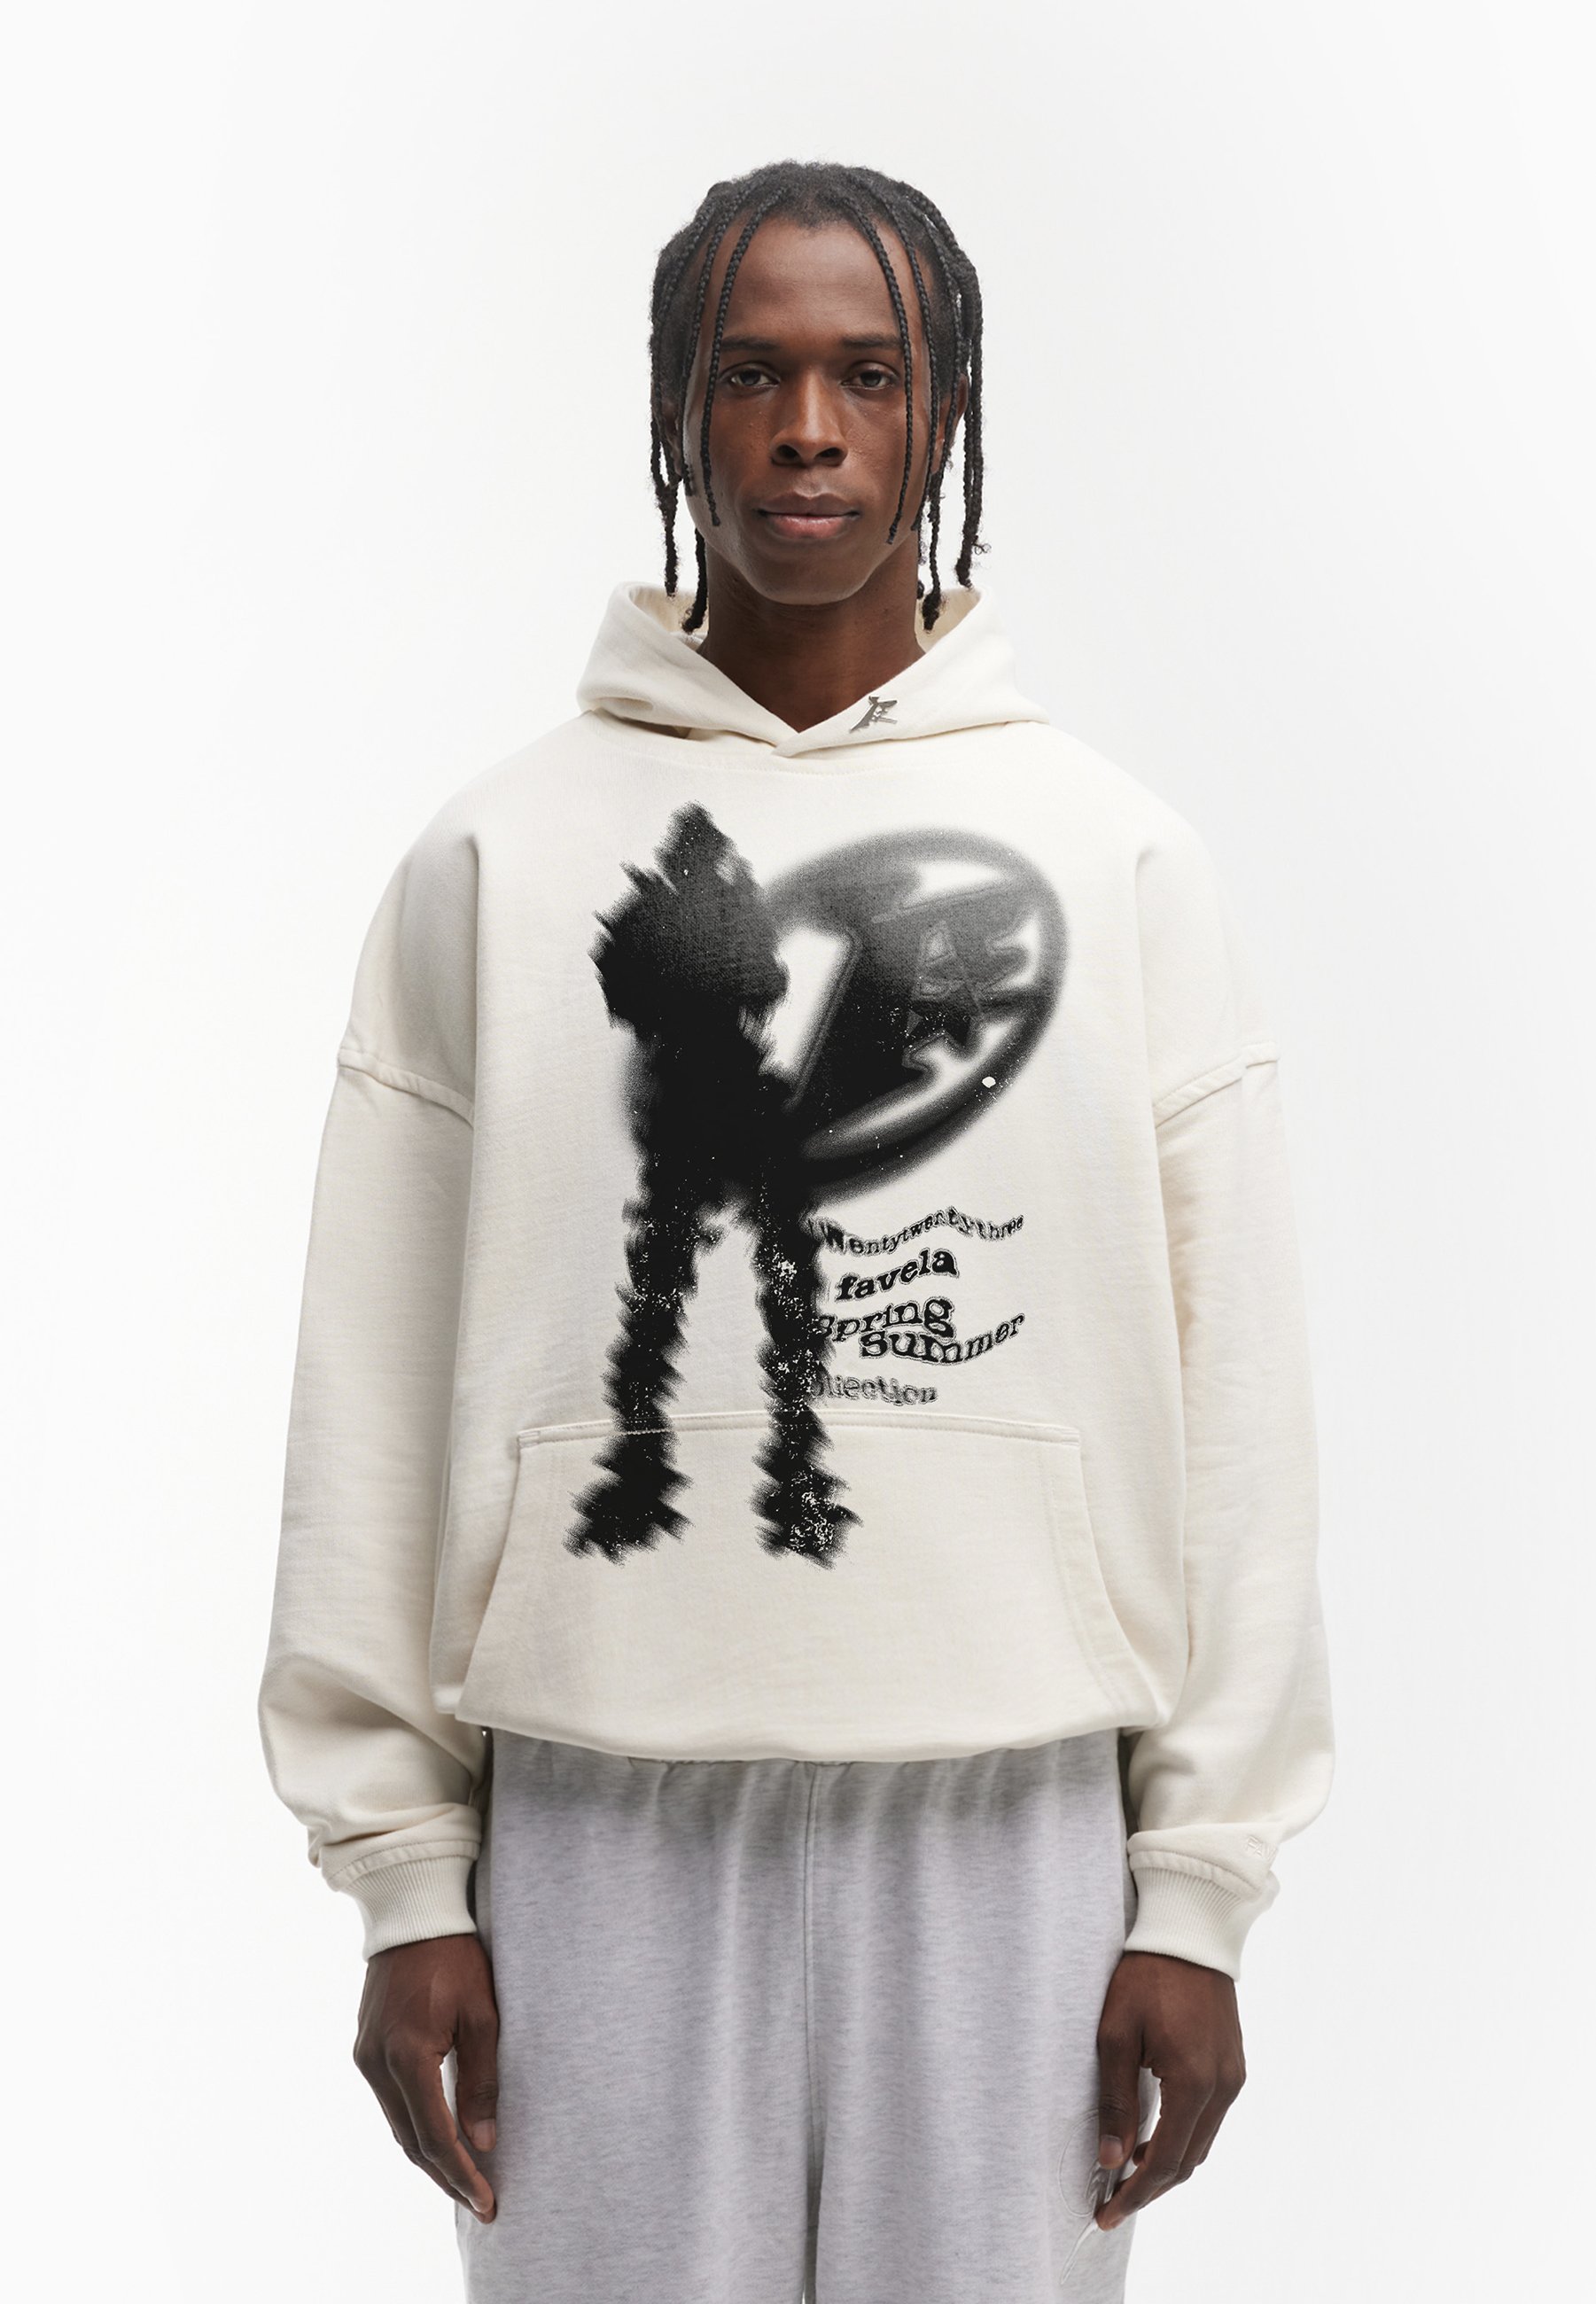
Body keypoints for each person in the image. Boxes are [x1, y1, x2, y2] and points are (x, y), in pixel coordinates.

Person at [258, 158, 1333, 2303]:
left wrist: (1196, 1890)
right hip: (602, 1816)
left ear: (945, 413)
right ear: (676, 406)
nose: (810, 430)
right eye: (751, 374)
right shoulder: (497, 858)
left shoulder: (1116, 859)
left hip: (1010, 1818)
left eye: (869, 374)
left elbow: (1235, 1404)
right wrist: (406, 1875)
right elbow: (371, 1381)